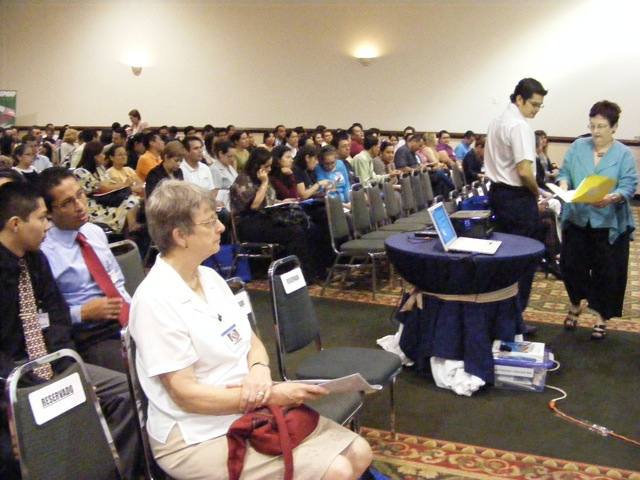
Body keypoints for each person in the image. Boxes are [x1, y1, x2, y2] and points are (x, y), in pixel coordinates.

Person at [131, 180, 371, 480]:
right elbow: (187, 396)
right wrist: (269, 396)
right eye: (209, 221)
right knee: (336, 471)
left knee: (360, 451)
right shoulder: (155, 299)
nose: (221, 227)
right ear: (180, 236)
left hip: (247, 408)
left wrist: (258, 368)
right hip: (195, 433)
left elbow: (251, 341)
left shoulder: (209, 277)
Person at [0, 182, 141, 480]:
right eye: (41, 218)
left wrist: (67, 371)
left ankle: (114, 472)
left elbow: (58, 319)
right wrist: (15, 395)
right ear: (15, 224)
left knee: (126, 395)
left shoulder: (35, 260)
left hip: (52, 361)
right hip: (12, 377)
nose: (47, 227)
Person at [557, 100, 637, 340]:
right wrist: (563, 187)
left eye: (601, 126)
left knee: (606, 271)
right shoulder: (577, 147)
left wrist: (614, 196)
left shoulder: (622, 153)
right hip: (578, 218)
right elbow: (564, 173)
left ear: (614, 127)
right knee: (571, 266)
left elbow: (629, 184)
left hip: (609, 222)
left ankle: (601, 316)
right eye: (592, 125)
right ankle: (575, 303)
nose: (595, 131)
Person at [40, 167, 131, 372]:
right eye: (67, 203)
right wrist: (81, 313)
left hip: (126, 319)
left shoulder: (94, 232)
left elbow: (117, 282)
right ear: (49, 213)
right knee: (138, 371)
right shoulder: (44, 253)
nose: (80, 206)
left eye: (80, 195)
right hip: (91, 335)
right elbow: (44, 318)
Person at [485, 77, 548, 333]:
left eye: (539, 106)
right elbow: (524, 171)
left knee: (504, 261)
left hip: (498, 195)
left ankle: (500, 318)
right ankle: (514, 319)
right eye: (533, 104)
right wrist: (537, 193)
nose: (535, 110)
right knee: (524, 262)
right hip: (517, 198)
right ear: (519, 99)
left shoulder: (496, 121)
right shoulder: (519, 126)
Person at [231, 147, 320, 280]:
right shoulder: (244, 179)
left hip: (266, 216)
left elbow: (268, 200)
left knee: (308, 226)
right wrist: (264, 182)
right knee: (294, 232)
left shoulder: (262, 178)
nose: (269, 169)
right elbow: (254, 205)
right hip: (248, 223)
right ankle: (295, 274)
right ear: (257, 165)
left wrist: (282, 201)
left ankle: (311, 271)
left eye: (270, 166)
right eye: (266, 166)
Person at [74, 141, 141, 234]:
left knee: (135, 201)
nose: (104, 156)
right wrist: (125, 185)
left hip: (106, 201)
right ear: (95, 156)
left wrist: (123, 186)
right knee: (131, 202)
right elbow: (101, 188)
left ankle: (130, 231)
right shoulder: (80, 172)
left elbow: (110, 184)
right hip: (93, 206)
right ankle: (131, 229)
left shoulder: (100, 168)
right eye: (101, 153)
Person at [210, 139, 238, 211]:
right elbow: (214, 193)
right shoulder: (214, 169)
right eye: (229, 156)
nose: (232, 159)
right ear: (220, 154)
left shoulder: (229, 167)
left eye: (233, 156)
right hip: (224, 205)